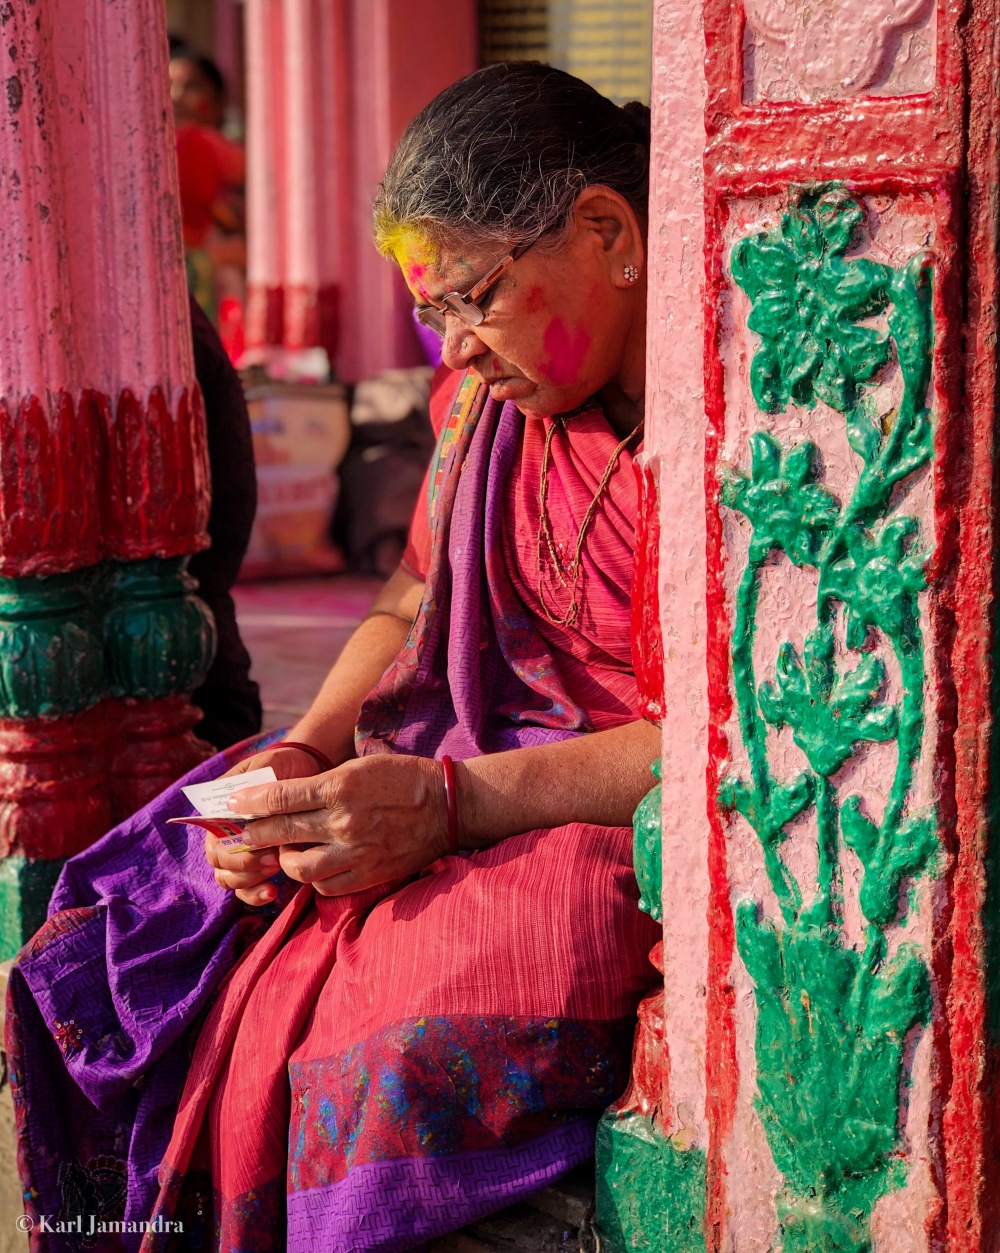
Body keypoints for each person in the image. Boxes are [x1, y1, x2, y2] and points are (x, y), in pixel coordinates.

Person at [7, 62, 661, 1253]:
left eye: (474, 298)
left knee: (386, 1051)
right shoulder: (492, 411)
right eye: (434, 314)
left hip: (587, 816)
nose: (453, 352)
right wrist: (306, 751)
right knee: (111, 925)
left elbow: (728, 729)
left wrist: (452, 803)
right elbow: (413, 592)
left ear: (611, 233)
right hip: (436, 764)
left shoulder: (735, 421)